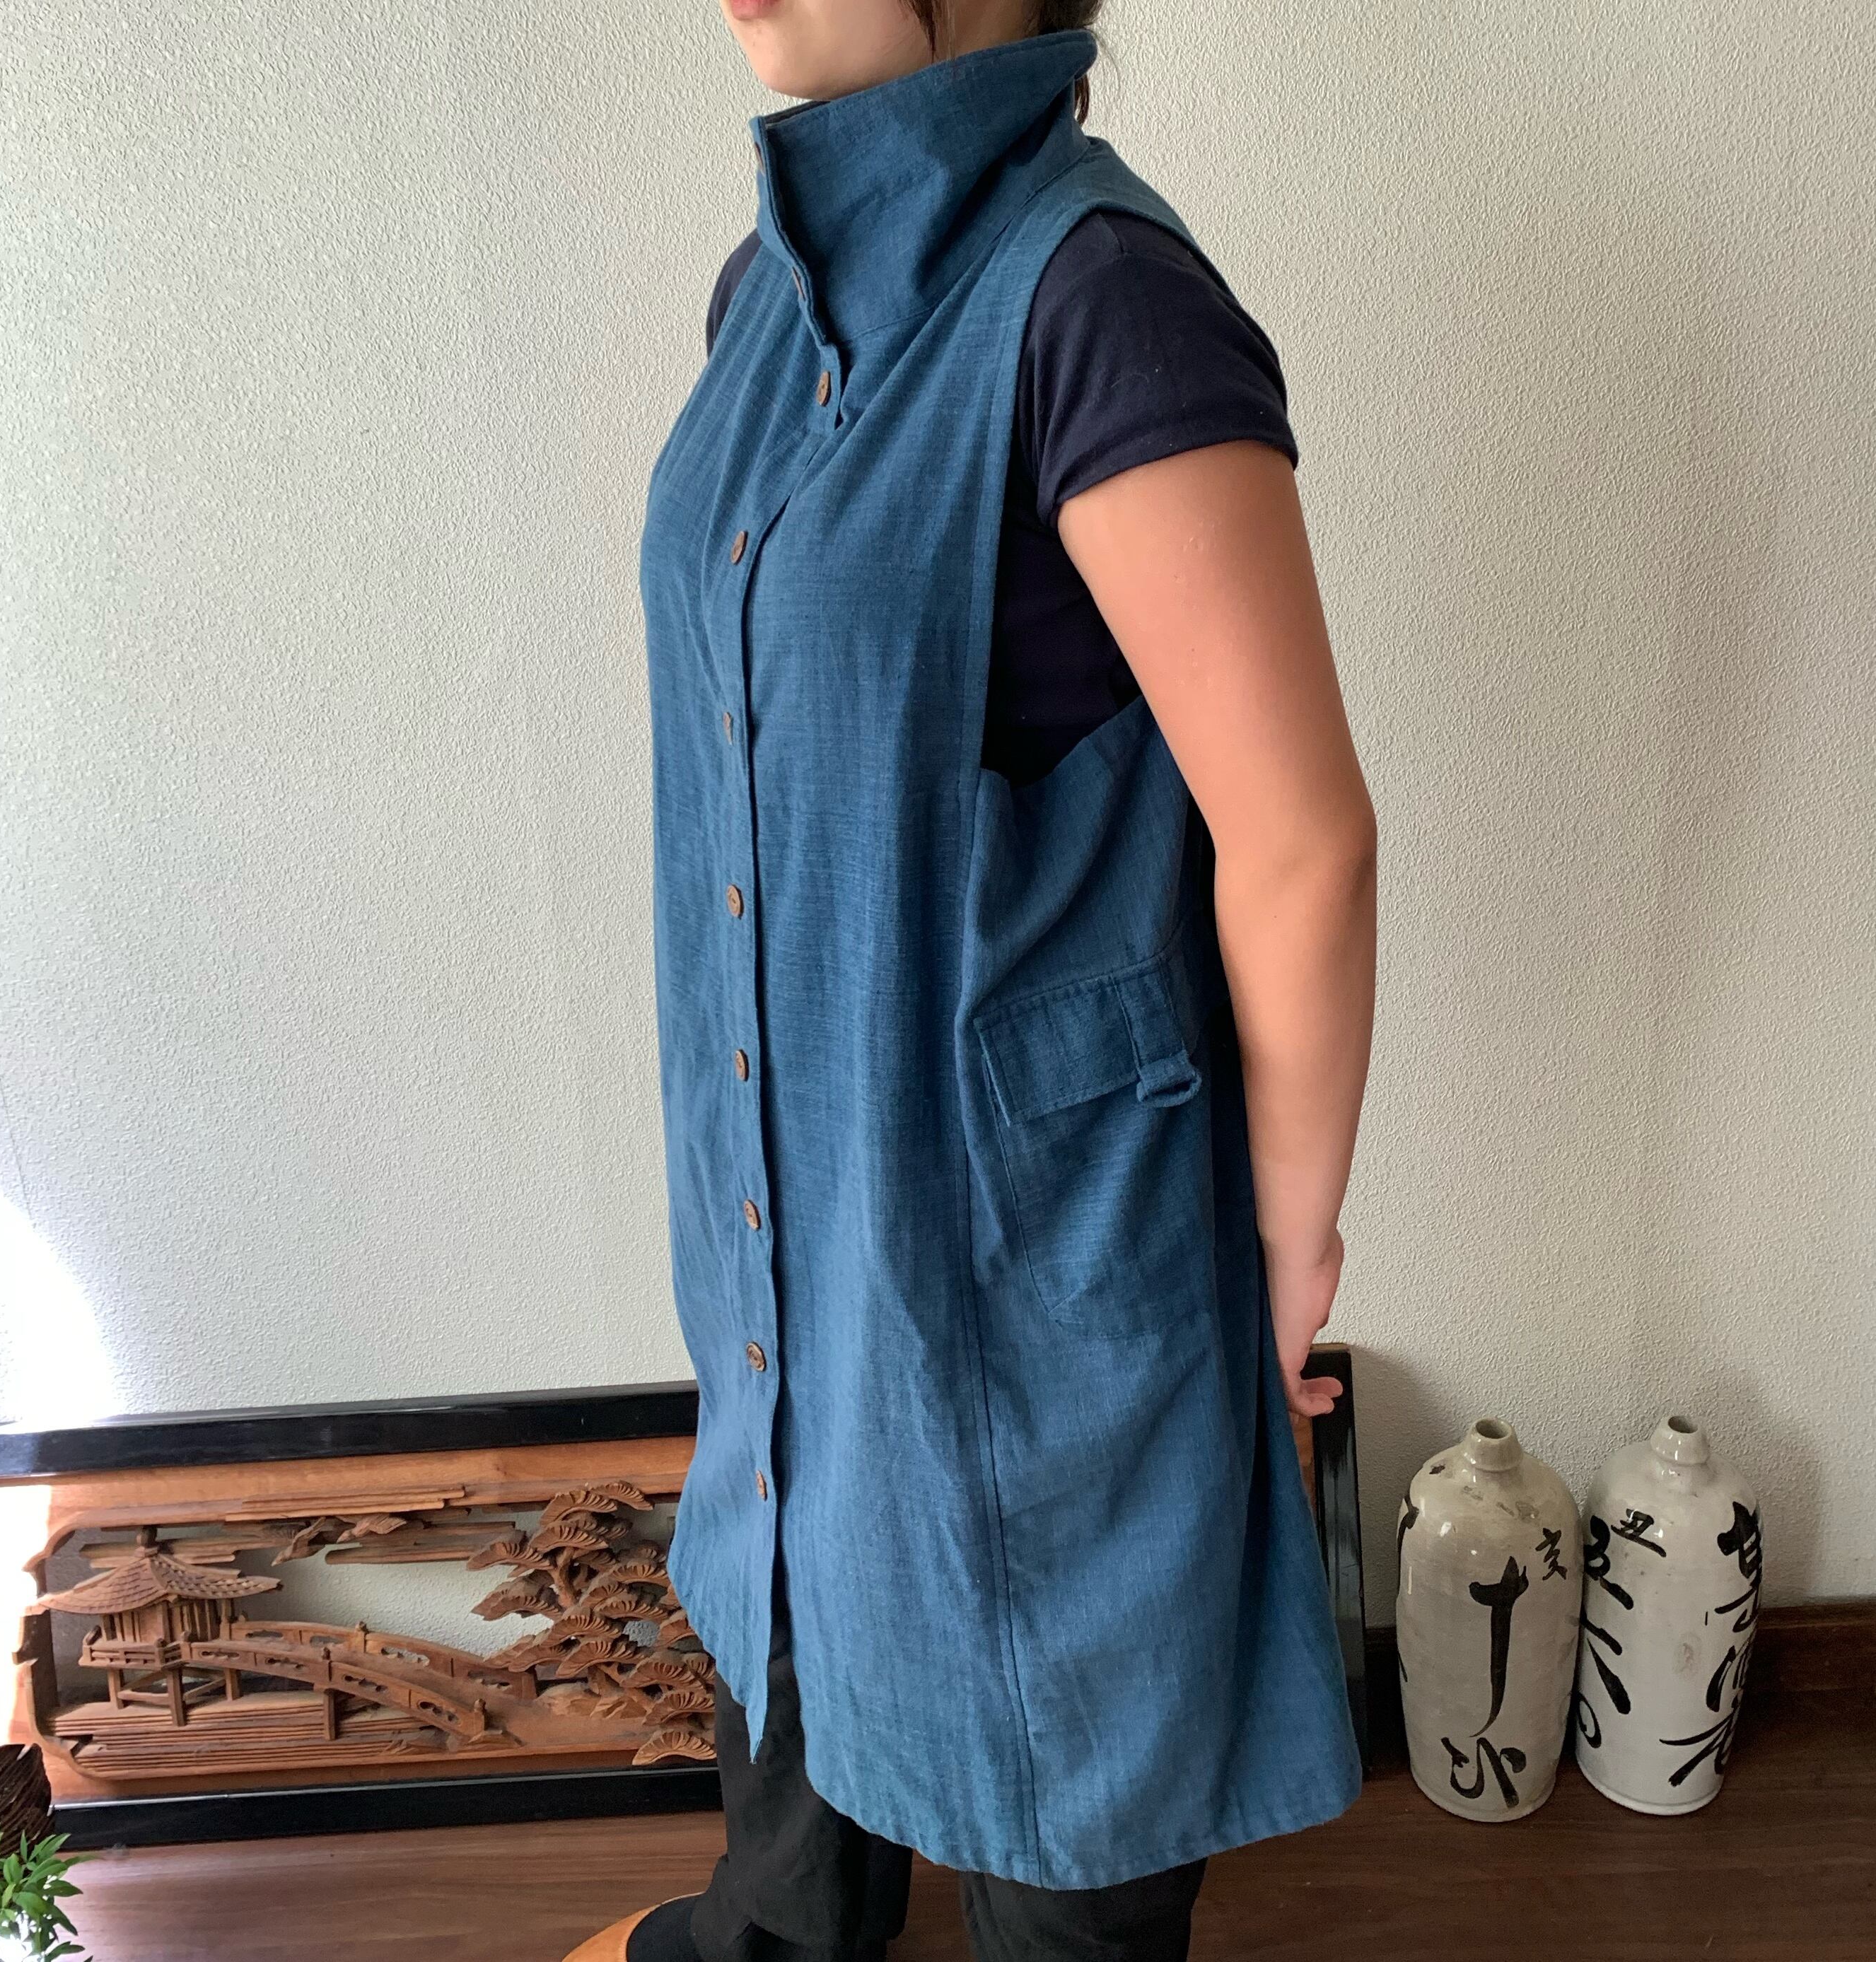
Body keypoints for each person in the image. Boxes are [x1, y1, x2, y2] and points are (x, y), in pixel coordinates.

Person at [571, 1, 1377, 1956]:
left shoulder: (1100, 305)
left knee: (1058, 1787)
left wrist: (1285, 1254)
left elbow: (1302, 841)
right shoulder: (763, 300)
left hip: (1029, 1249)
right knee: (789, 1661)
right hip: (794, 1204)